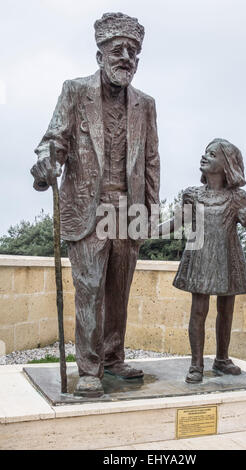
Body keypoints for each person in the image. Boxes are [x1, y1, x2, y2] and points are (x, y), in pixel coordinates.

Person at [30, 13, 160, 397]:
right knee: (89, 289)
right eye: (118, 50)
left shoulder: (145, 105)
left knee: (119, 291)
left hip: (129, 211)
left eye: (133, 51)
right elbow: (54, 140)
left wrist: (151, 210)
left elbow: (152, 159)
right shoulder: (75, 91)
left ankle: (113, 358)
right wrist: (46, 163)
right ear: (100, 53)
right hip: (88, 209)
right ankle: (89, 367)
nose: (127, 57)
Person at [160, 138, 246, 383]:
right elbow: (177, 222)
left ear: (226, 163)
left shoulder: (236, 197)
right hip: (200, 258)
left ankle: (222, 359)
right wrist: (147, 232)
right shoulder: (193, 195)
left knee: (226, 311)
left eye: (212, 154)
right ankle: (196, 364)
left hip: (228, 259)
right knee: (198, 310)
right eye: (204, 152)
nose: (204, 156)